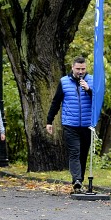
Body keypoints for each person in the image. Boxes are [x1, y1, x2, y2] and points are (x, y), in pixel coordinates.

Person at [45, 56, 93, 193]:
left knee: (83, 154)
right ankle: (76, 180)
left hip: (87, 125)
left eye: (83, 69)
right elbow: (56, 102)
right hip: (70, 124)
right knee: (74, 152)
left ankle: (80, 180)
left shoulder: (91, 81)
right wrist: (49, 121)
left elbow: (98, 99)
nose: (80, 71)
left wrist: (88, 89)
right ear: (72, 67)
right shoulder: (64, 82)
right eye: (78, 69)